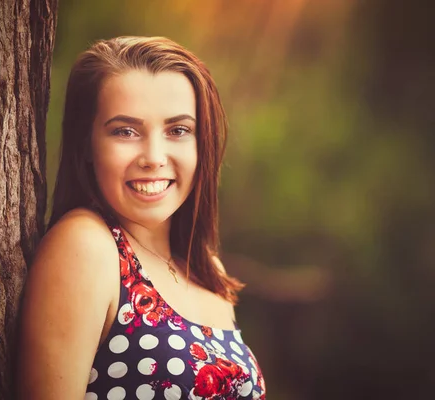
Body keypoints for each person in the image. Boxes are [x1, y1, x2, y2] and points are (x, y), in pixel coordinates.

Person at [17, 36, 266, 400]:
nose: (153, 156)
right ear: (86, 144)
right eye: (126, 131)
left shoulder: (202, 264)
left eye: (178, 130)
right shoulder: (86, 247)